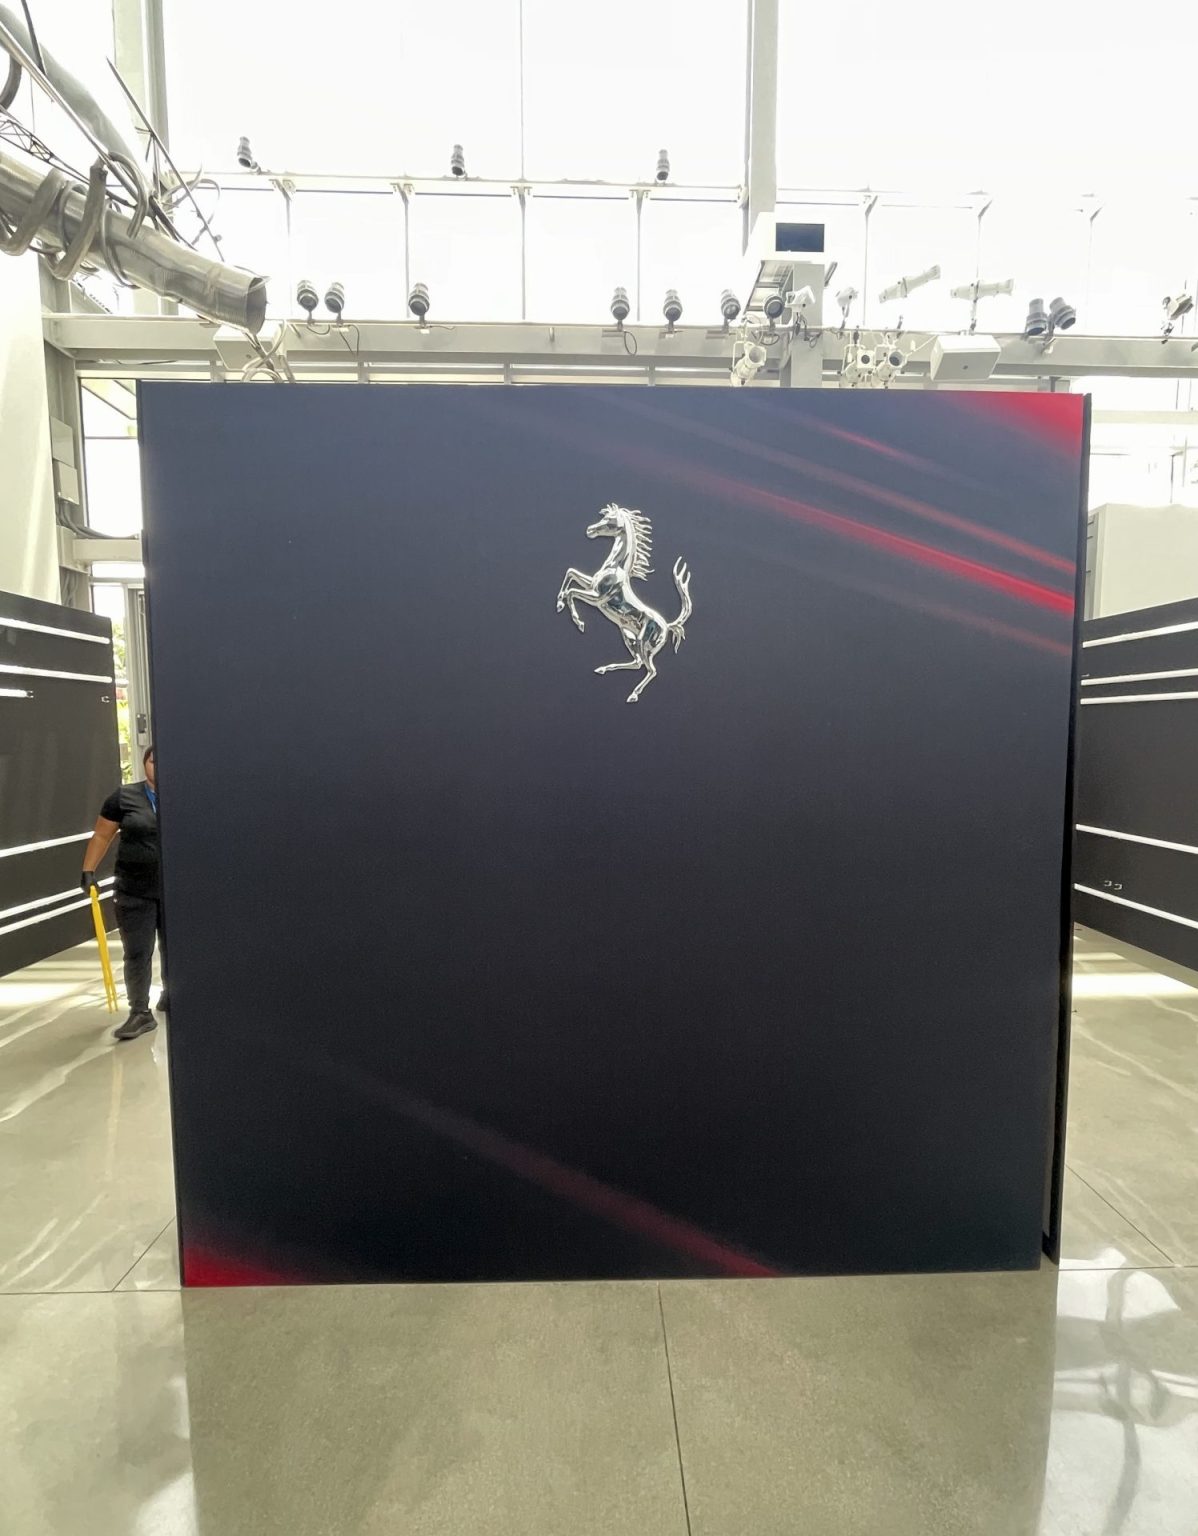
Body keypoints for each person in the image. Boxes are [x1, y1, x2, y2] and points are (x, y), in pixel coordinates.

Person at [81, 745, 166, 1042]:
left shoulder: (188, 795)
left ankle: (173, 995)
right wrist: (88, 870)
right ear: (144, 764)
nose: (159, 766)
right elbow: (102, 835)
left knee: (178, 949)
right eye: (153, 761)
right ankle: (140, 1012)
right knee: (138, 951)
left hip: (177, 891)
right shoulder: (124, 797)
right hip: (134, 890)